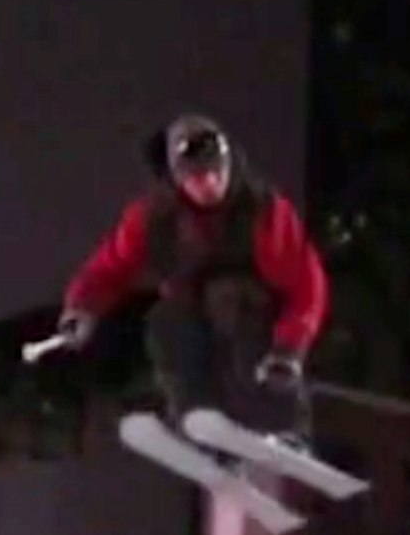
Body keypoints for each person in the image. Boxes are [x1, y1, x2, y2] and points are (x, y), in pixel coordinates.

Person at [55, 114, 328, 445]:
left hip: (257, 320)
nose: (211, 184)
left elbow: (306, 284)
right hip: (197, 318)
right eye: (198, 178)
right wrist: (82, 308)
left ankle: (280, 426)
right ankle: (198, 421)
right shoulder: (154, 218)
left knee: (228, 300)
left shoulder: (263, 213)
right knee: (166, 321)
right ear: (178, 180)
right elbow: (109, 267)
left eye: (217, 173)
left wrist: (289, 348)